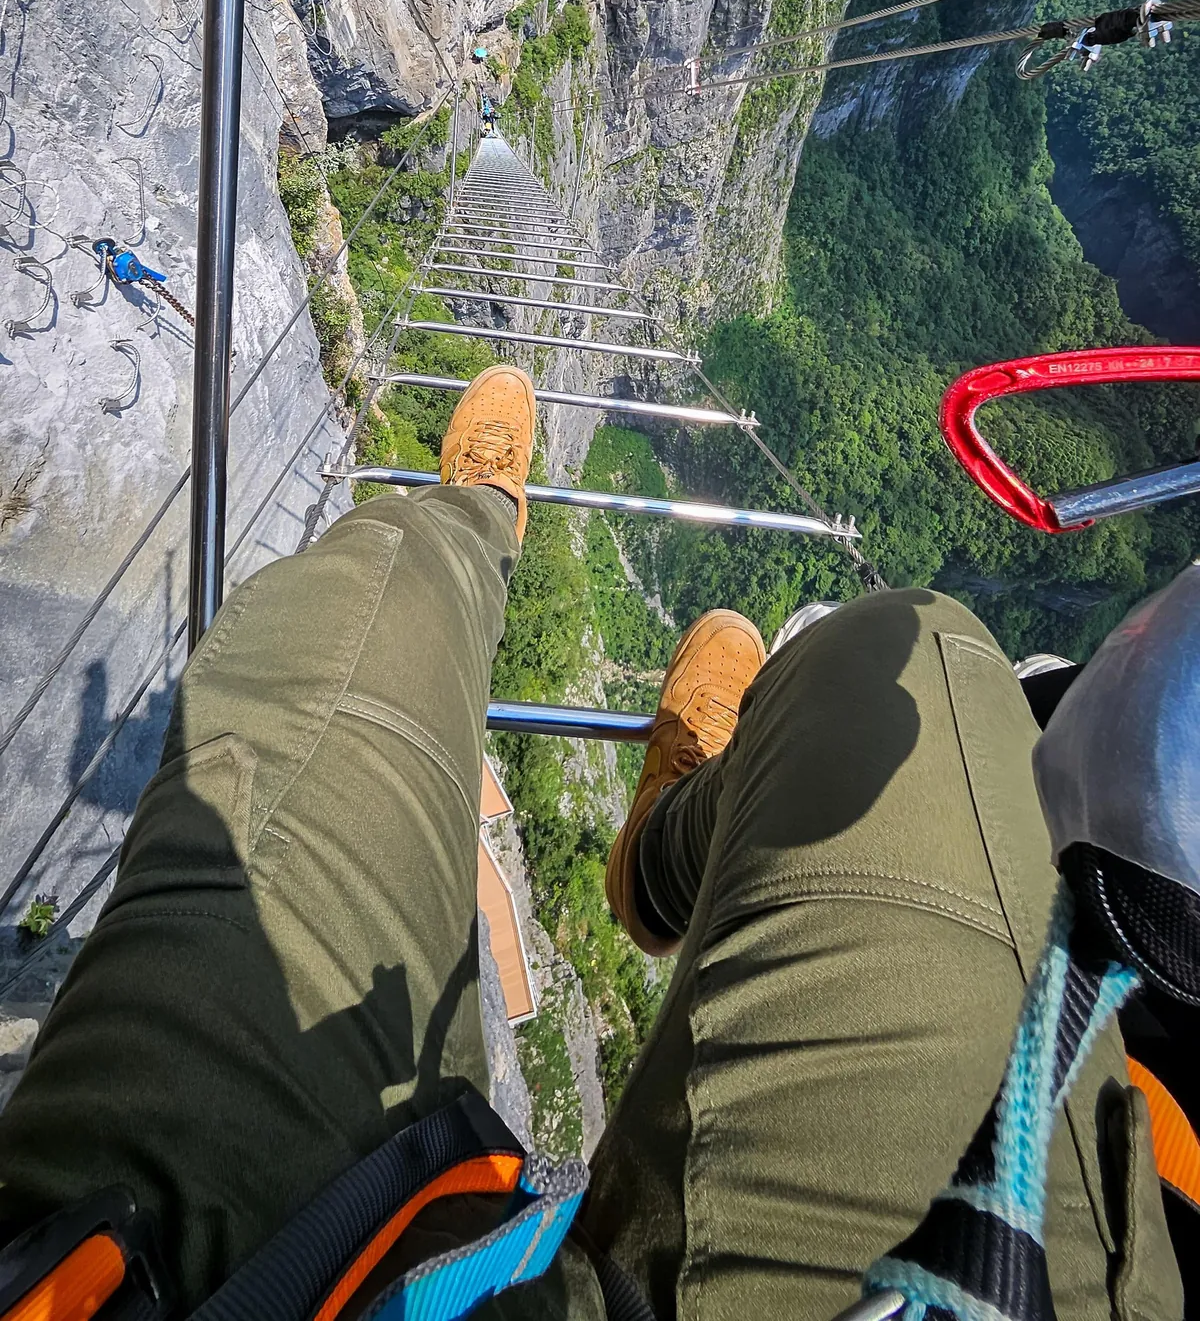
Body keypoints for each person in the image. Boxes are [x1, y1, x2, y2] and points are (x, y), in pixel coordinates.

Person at [0, 369, 1183, 1321]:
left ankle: (472, 533)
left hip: (137, 1253)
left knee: (359, 608)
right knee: (914, 653)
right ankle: (658, 813)